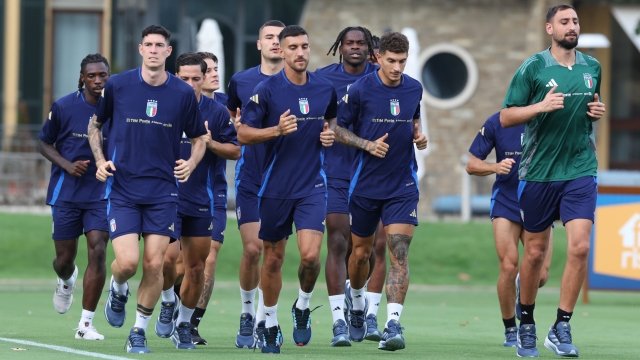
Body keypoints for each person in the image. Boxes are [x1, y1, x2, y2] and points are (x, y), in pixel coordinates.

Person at [87, 25, 208, 354]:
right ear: (141, 49)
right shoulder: (118, 85)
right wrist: (99, 160)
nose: (154, 50)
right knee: (127, 264)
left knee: (156, 265)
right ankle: (118, 286)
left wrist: (192, 163)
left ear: (168, 52)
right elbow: (95, 125)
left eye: (160, 45)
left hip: (163, 193)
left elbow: (200, 138)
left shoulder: (182, 94)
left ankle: (138, 331)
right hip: (124, 189)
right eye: (149, 45)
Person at [500, 4, 605, 357]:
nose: (572, 26)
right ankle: (526, 322)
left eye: (575, 21)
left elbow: (592, 106)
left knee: (580, 247)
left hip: (580, 168)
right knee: (534, 254)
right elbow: (506, 116)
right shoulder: (532, 68)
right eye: (564, 21)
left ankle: (562, 325)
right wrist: (538, 108)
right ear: (549, 28)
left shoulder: (593, 66)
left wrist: (597, 111)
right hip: (539, 173)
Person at [238, 25, 337, 354]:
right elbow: (243, 134)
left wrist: (328, 134)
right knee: (274, 259)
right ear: (281, 51)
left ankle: (303, 305)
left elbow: (331, 123)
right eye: (292, 47)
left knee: (310, 257)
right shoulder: (266, 91)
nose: (300, 52)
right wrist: (275, 130)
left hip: (312, 185)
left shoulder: (325, 89)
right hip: (274, 187)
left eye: (305, 46)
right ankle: (268, 322)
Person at [334, 31, 428, 351]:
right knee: (360, 253)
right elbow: (337, 129)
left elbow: (413, 118)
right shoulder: (359, 89)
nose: (397, 67)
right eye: (391, 61)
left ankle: (392, 324)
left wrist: (419, 136)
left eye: (402, 61)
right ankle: (356, 300)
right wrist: (367, 144)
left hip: (402, 185)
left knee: (398, 253)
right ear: (378, 58)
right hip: (365, 185)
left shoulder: (415, 87)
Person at [156, 52, 240, 349]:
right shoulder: (162, 104)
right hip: (166, 195)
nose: (192, 83)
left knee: (200, 265)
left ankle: (187, 324)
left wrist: (208, 141)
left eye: (197, 77)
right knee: (168, 260)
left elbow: (235, 149)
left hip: (206, 195)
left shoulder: (218, 111)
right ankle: (168, 301)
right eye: (185, 78)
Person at [466, 111, 554, 347]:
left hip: (539, 202)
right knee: (508, 265)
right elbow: (472, 164)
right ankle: (510, 329)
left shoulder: (550, 117)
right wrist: (495, 167)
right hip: (506, 201)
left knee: (542, 273)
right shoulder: (498, 121)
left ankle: (520, 287)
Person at [39, 54, 111, 340]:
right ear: (82, 77)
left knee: (99, 249)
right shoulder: (64, 106)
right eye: (91, 75)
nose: (97, 80)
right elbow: (44, 142)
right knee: (64, 259)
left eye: (102, 75)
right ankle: (66, 279)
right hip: (66, 193)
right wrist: (68, 165)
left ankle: (85, 325)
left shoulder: (116, 108)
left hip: (101, 192)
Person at [315, 26, 377, 347]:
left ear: (369, 47)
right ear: (340, 47)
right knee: (338, 242)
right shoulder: (322, 79)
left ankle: (359, 300)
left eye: (360, 43)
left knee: (365, 249)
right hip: (334, 172)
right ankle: (339, 320)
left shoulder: (383, 78)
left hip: (373, 176)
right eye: (349, 43)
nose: (354, 47)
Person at [226, 19, 286, 348]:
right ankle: (248, 312)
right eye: (269, 37)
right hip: (250, 176)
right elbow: (232, 116)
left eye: (281, 38)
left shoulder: (303, 83)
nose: (276, 42)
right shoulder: (242, 80)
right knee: (252, 249)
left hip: (288, 181)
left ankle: (266, 316)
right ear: (259, 44)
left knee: (274, 255)